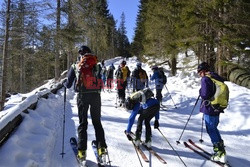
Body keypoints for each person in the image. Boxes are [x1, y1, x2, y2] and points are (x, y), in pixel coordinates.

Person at [64, 45, 107, 163]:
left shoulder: (76, 66)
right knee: (97, 123)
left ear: (80, 54)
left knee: (83, 123)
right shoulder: (97, 65)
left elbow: (68, 84)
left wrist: (64, 84)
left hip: (83, 96)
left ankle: (82, 153)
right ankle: (102, 150)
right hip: (96, 96)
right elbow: (101, 79)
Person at [197, 62, 226, 163]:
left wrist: (200, 91)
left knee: (211, 129)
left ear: (203, 71)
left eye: (199, 72)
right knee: (214, 128)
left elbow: (204, 95)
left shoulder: (205, 78)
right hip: (217, 107)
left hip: (210, 108)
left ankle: (219, 153)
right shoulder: (216, 77)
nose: (199, 74)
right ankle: (221, 150)